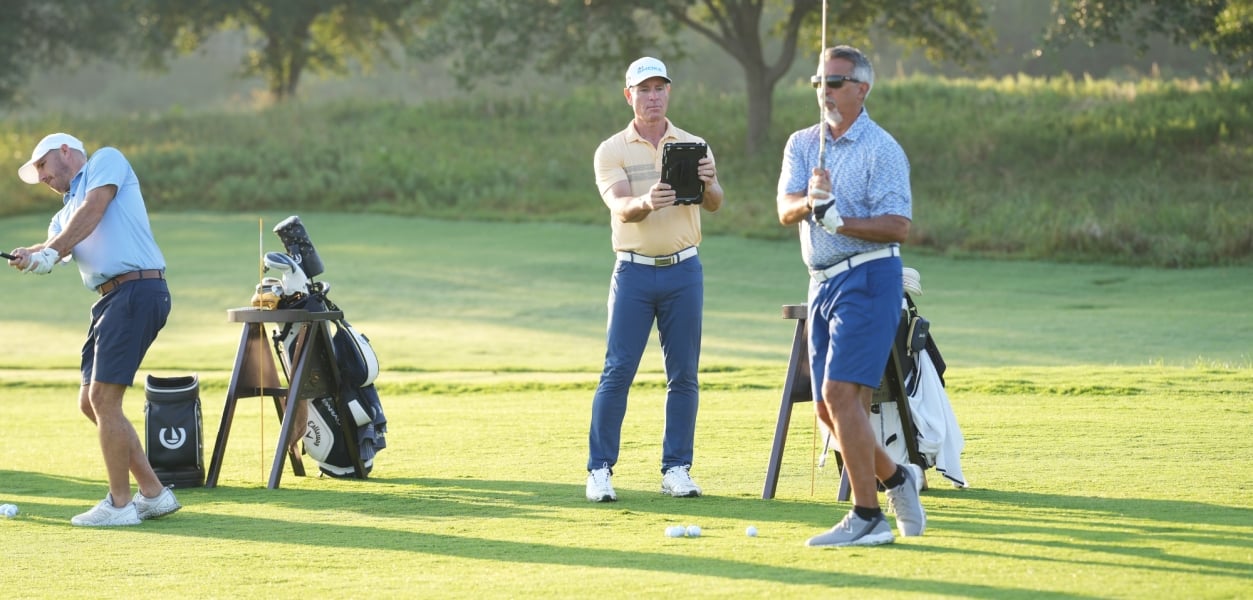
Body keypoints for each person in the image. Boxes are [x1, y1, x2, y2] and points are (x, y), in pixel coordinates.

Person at [776, 46, 925, 546]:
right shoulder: (802, 144)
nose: (826, 92)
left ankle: (867, 517)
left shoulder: (882, 149)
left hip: (869, 277)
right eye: (819, 82)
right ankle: (898, 478)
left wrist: (842, 220)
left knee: (842, 396)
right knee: (826, 408)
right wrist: (810, 203)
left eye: (836, 82)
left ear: (863, 88)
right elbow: (784, 208)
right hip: (821, 282)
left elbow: (898, 225)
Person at [8, 133, 180, 526]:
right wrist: (31, 254)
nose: (43, 179)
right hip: (109, 300)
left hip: (137, 288)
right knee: (91, 401)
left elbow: (95, 208)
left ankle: (119, 505)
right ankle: (153, 494)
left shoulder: (106, 160)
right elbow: (57, 241)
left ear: (65, 151)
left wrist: (52, 251)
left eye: (42, 167)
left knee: (104, 398)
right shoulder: (63, 213)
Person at [585, 57, 724, 502]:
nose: (653, 97)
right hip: (634, 273)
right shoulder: (612, 150)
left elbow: (716, 202)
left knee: (683, 375)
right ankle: (600, 470)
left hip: (685, 270)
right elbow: (620, 205)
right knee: (617, 372)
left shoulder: (694, 143)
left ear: (669, 92)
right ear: (629, 95)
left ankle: (676, 469)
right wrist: (647, 201)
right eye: (644, 89)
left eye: (660, 88)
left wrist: (708, 183)